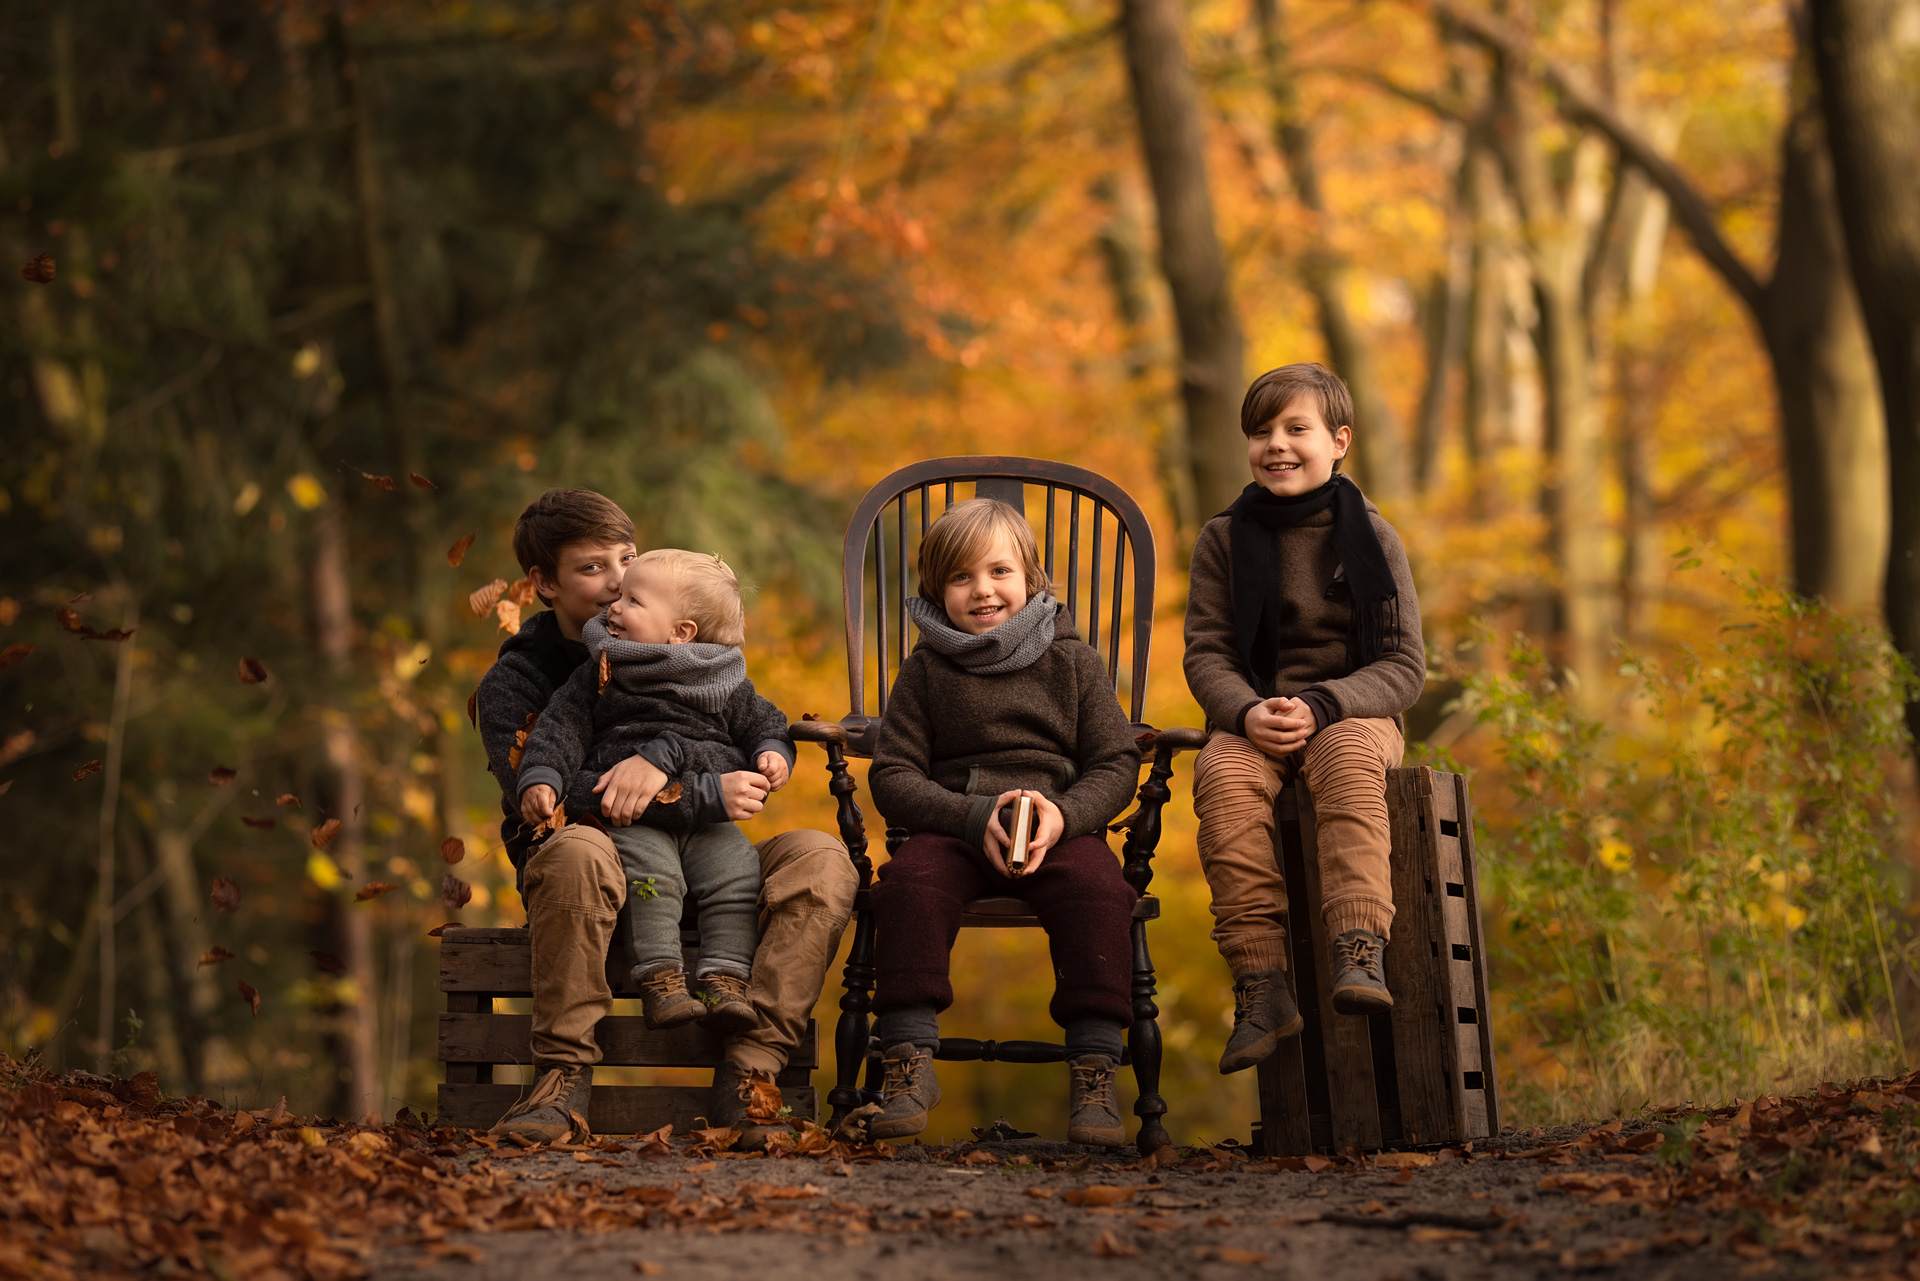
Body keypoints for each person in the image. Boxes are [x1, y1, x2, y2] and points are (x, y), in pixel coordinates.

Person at [474, 489, 855, 1146]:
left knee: (822, 859)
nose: (617, 581)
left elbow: (742, 726)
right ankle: (562, 1077)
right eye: (593, 567)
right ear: (544, 583)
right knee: (574, 850)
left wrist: (705, 764)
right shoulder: (522, 679)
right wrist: (691, 792)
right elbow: (544, 799)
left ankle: (752, 1072)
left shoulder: (687, 650)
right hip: (601, 868)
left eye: (627, 559)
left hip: (707, 858)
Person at [864, 498, 1142, 1146]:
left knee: (1099, 891)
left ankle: (1095, 1069)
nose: (982, 590)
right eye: (961, 577)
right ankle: (907, 1058)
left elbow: (1115, 762)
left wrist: (1065, 814)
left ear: (1031, 577)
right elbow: (893, 774)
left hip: (1057, 825)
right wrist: (968, 814)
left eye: (999, 571)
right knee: (907, 885)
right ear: (936, 592)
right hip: (955, 825)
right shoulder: (927, 669)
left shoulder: (1073, 661)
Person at [1182, 363, 1427, 1074]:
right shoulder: (1223, 538)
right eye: (1261, 432)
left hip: (1351, 712)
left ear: (1339, 441)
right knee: (1220, 774)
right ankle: (1261, 982)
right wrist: (1245, 711)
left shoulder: (1372, 536)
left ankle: (1359, 945)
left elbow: (1404, 666)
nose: (1277, 445)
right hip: (1255, 716)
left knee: (1347, 756)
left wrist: (1324, 704)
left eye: (1297, 429)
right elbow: (1207, 652)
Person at [515, 549, 792, 1036]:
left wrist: (773, 750)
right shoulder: (603, 670)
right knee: (653, 878)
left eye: (633, 600)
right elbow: (560, 728)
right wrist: (543, 775)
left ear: (681, 631)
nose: (614, 607)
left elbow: (765, 723)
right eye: (619, 597)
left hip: (707, 819)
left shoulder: (721, 677)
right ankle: (661, 980)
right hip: (634, 815)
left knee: (738, 878)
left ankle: (725, 979)